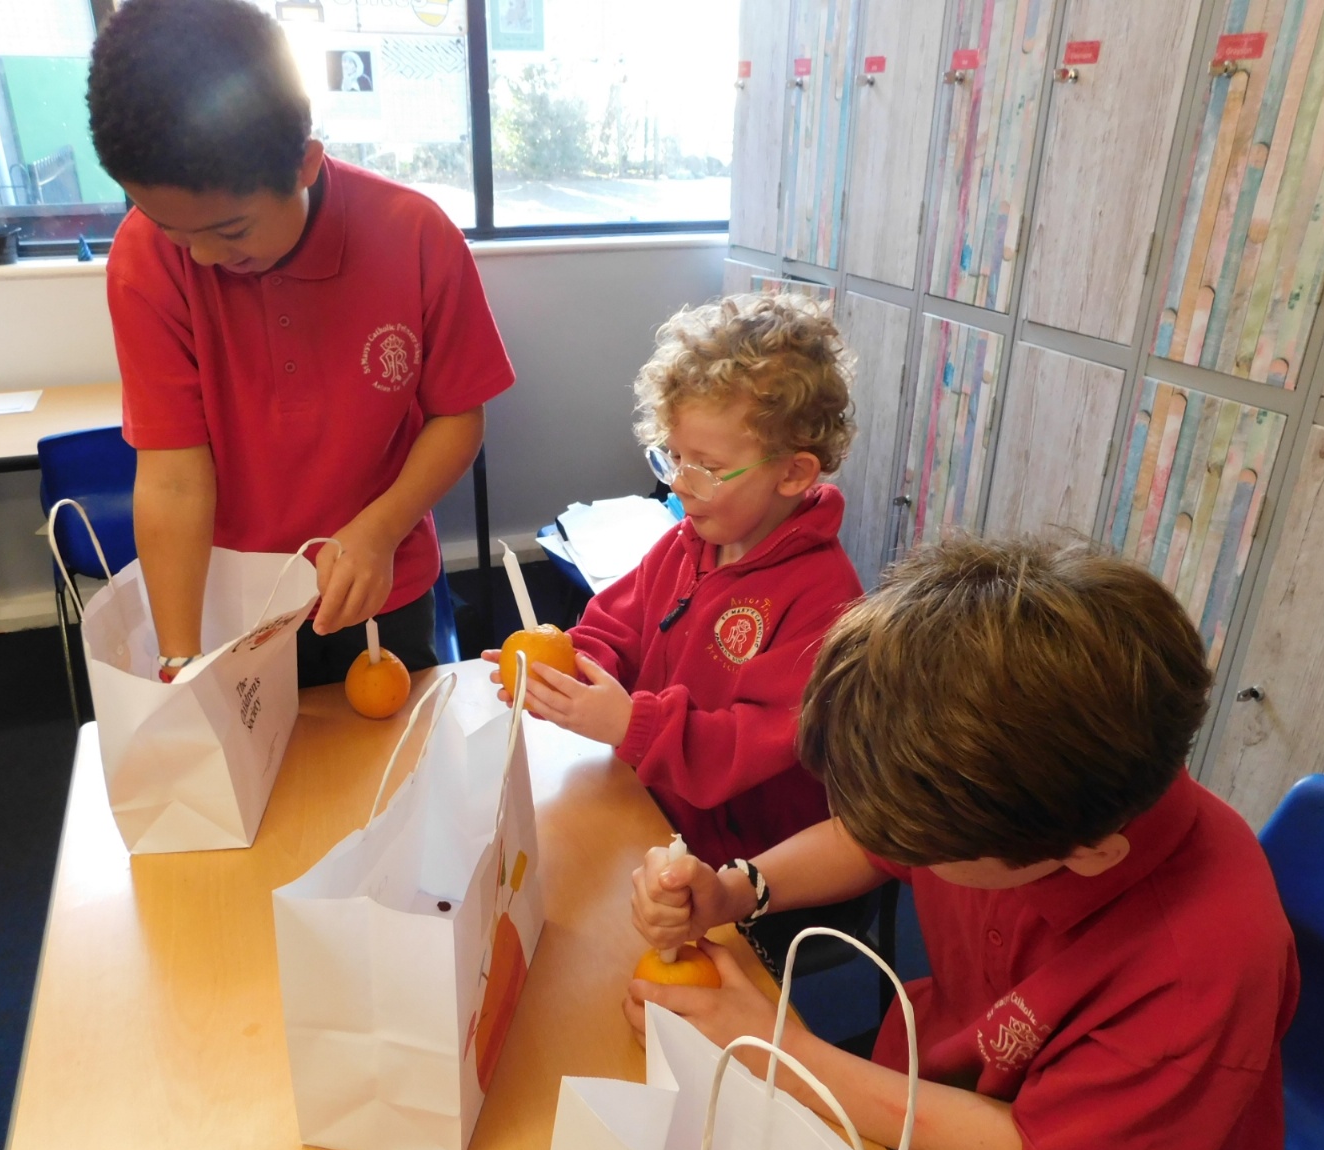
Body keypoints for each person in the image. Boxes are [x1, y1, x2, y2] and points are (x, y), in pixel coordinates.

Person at [626, 538, 1300, 1150]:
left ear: (1084, 857)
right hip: (923, 1094)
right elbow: (870, 840)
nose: (903, 851)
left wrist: (784, 1054)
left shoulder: (1198, 971)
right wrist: (735, 890)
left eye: (925, 852)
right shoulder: (1012, 796)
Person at [88, 0, 513, 685]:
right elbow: (172, 474)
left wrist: (381, 528)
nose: (202, 256)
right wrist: (178, 656)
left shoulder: (414, 234)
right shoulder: (144, 259)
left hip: (378, 583)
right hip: (235, 601)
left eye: (231, 231)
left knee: (393, 745)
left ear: (307, 164)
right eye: (172, 228)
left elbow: (458, 414)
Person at [487, 292, 864, 901]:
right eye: (675, 458)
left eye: (706, 468)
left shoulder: (824, 600)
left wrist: (631, 725)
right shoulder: (688, 544)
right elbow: (613, 629)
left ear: (793, 473)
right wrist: (566, 671)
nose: (680, 486)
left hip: (739, 867)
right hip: (655, 807)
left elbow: (753, 743)